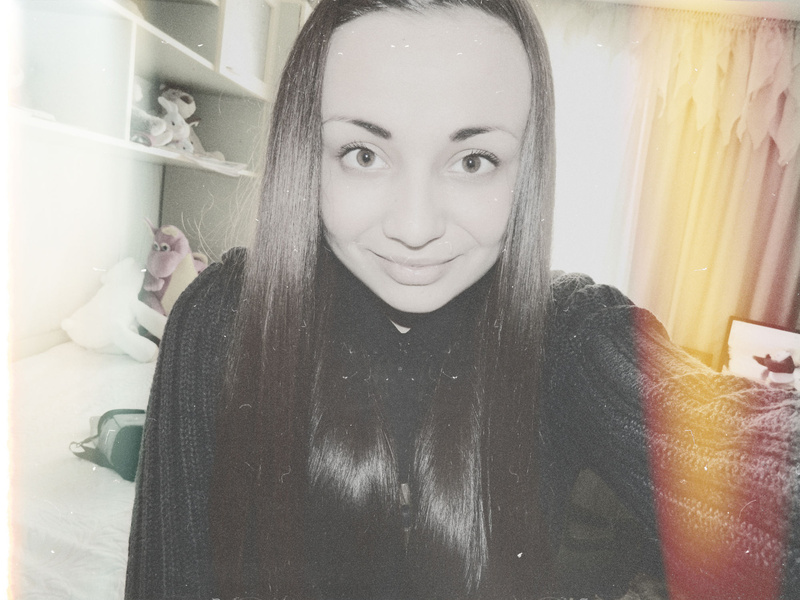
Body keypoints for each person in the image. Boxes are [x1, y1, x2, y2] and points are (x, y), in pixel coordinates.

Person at [125, 0, 800, 598]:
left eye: (473, 161)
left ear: (525, 169)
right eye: (363, 154)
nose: (415, 227)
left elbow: (756, 461)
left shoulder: (567, 335)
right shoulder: (225, 318)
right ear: (308, 153)